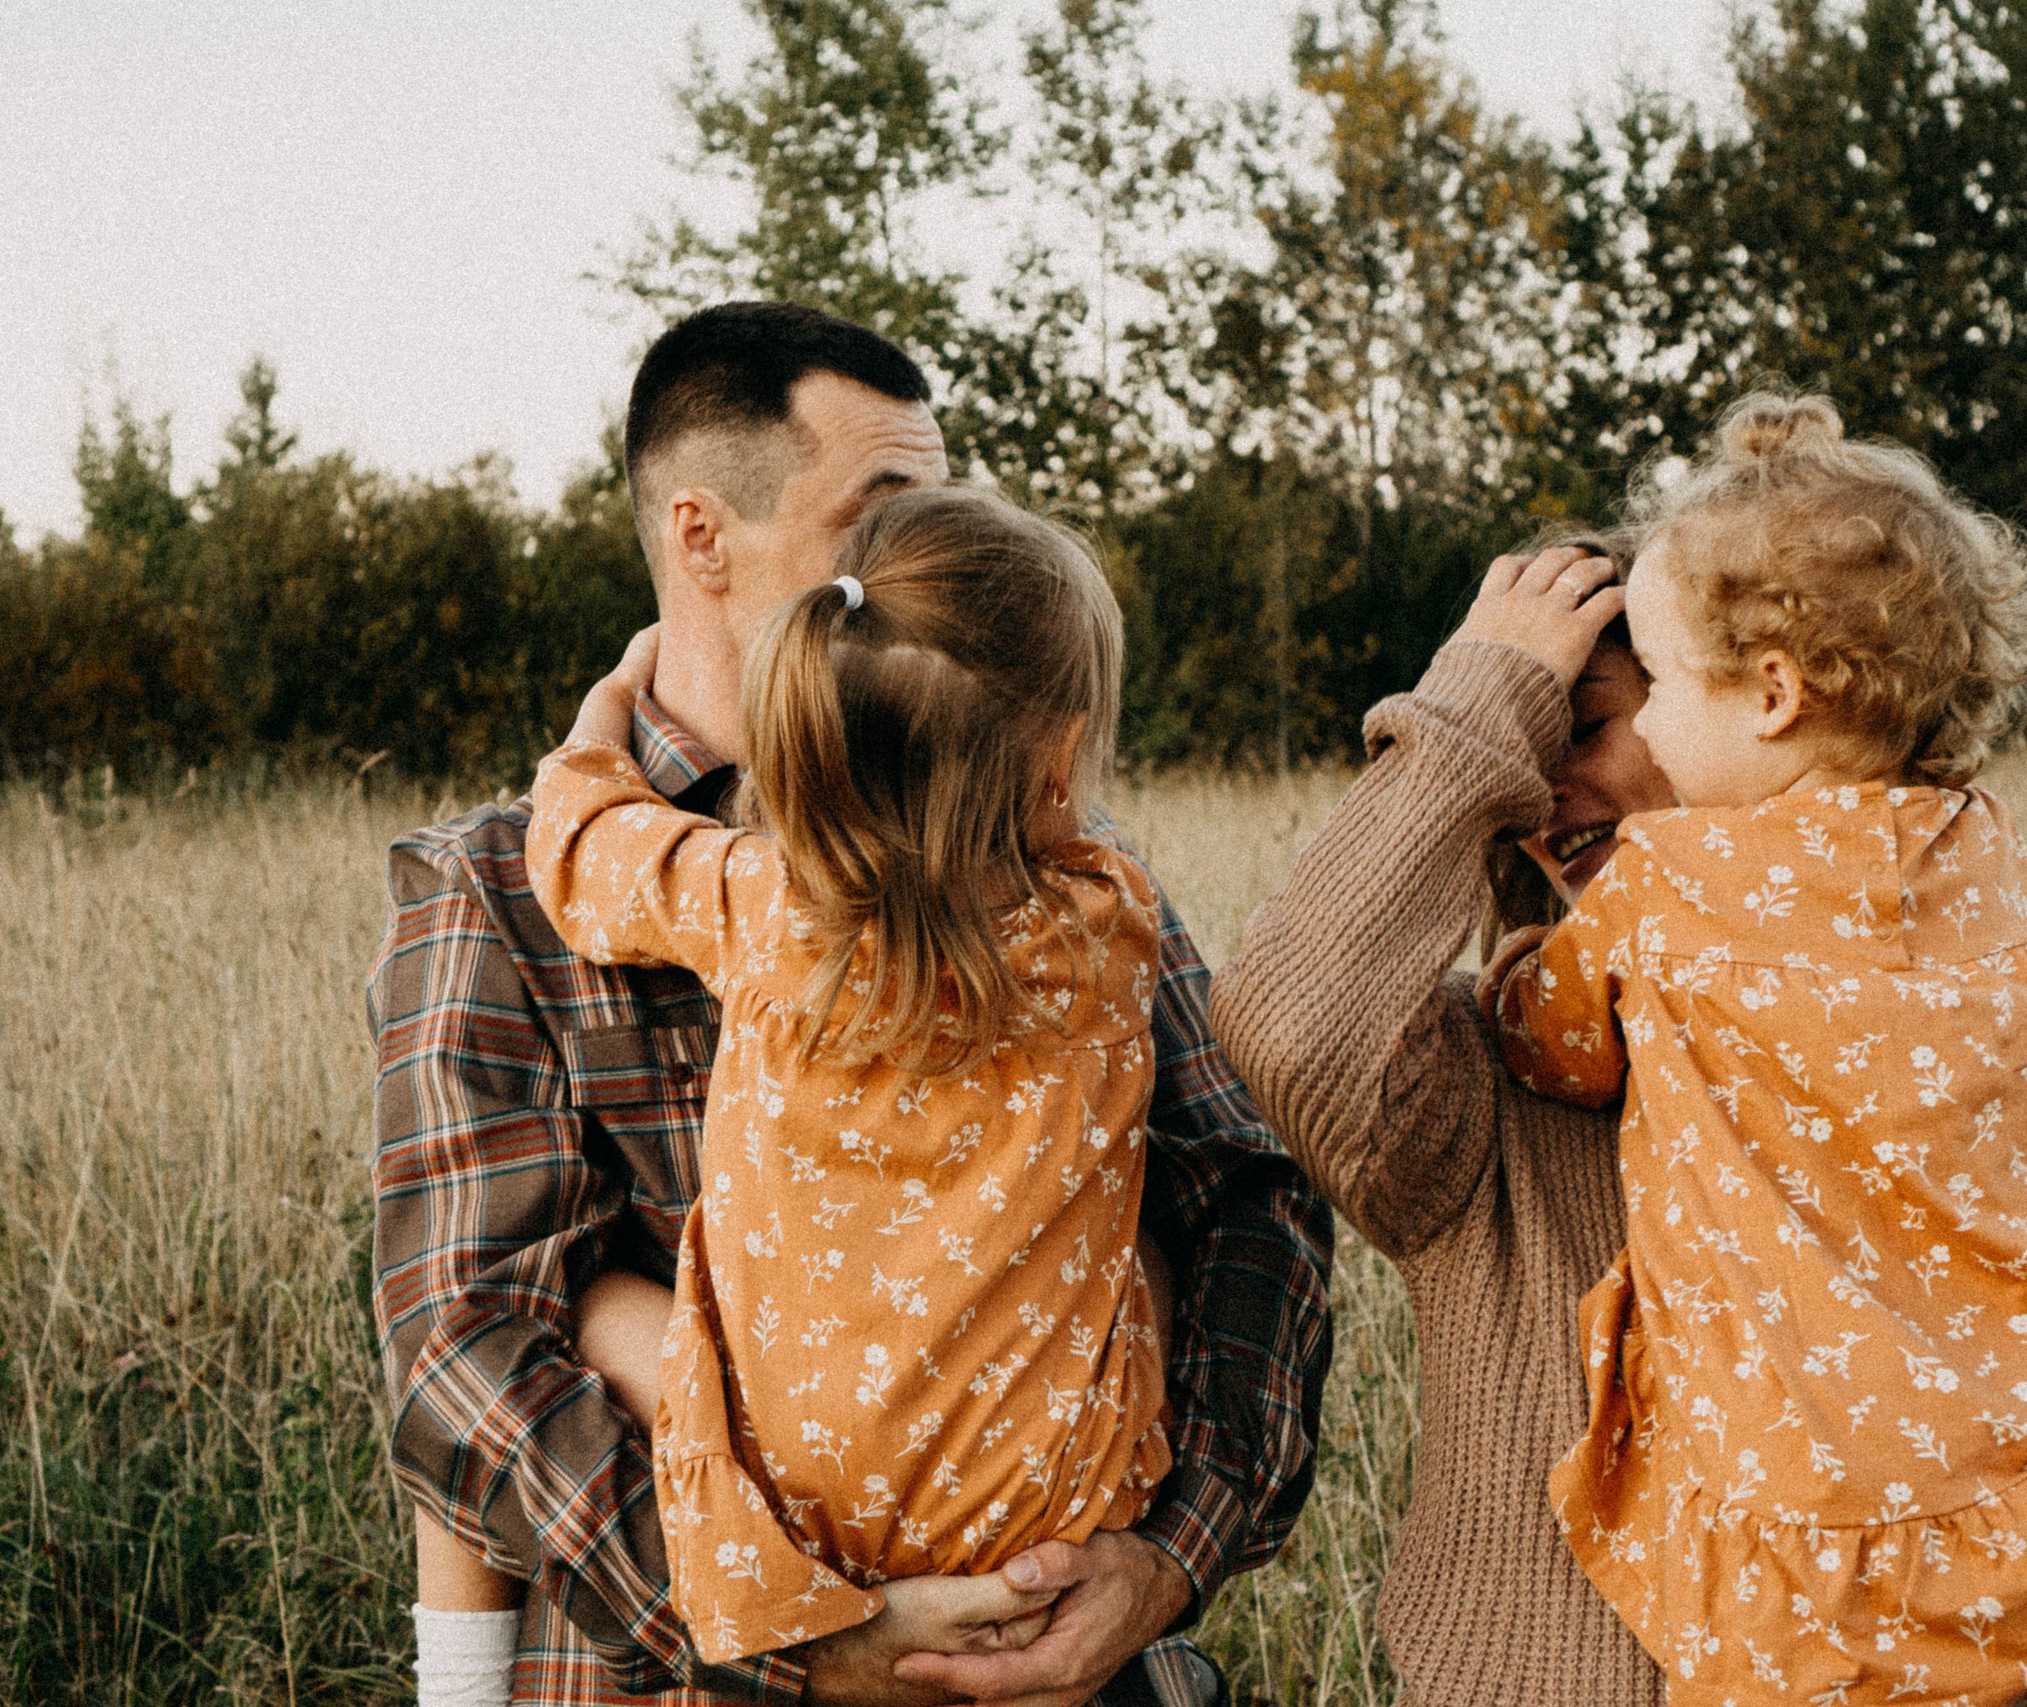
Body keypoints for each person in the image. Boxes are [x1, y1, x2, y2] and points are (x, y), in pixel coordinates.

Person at [369, 301, 1332, 1707]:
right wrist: (799, 1637)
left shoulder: (1049, 866)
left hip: (1059, 1646)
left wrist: (1164, 1564)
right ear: (701, 535)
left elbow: (1251, 1198)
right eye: (879, 519)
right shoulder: (491, 888)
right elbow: (467, 1349)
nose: (919, 568)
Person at [1210, 527, 2027, 1700]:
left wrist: (1949, 1675)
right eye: (1519, 748)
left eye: (1584, 724)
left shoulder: (1987, 1009)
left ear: (1755, 704)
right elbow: (1287, 1023)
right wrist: (1478, 691)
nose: (1542, 788)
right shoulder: (1474, 1063)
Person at [1472, 394, 2027, 1703]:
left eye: (1660, 681)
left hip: (1807, 1498)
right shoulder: (1987, 858)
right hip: (2011, 1459)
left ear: (1771, 692)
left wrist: (1519, 962)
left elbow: (1552, 1042)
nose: (1639, 733)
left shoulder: (1671, 888)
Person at [520, 487, 1173, 1664]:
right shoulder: (1107, 929)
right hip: (1040, 1524)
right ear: (1062, 760)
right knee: (1151, 1260)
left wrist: (602, 715)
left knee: (610, 1310)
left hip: (798, 1518)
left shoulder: (759, 908)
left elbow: (577, 849)